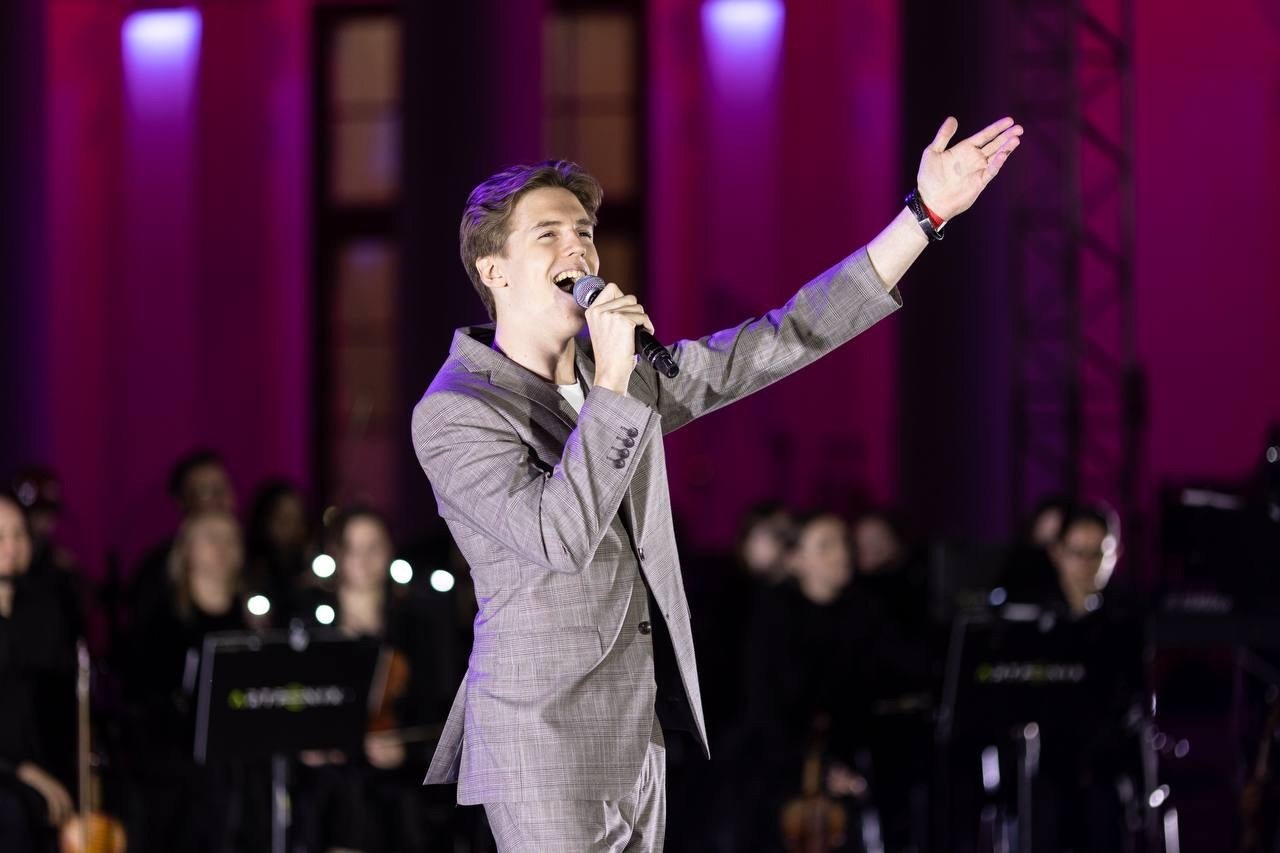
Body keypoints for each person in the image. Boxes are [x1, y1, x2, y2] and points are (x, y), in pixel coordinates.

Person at [411, 115, 1023, 850]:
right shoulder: (458, 411)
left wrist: (922, 217)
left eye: (585, 232)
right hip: (542, 739)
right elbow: (558, 536)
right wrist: (612, 379)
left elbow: (781, 338)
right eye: (549, 234)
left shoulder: (623, 377)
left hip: (639, 730)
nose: (579, 247)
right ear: (494, 270)